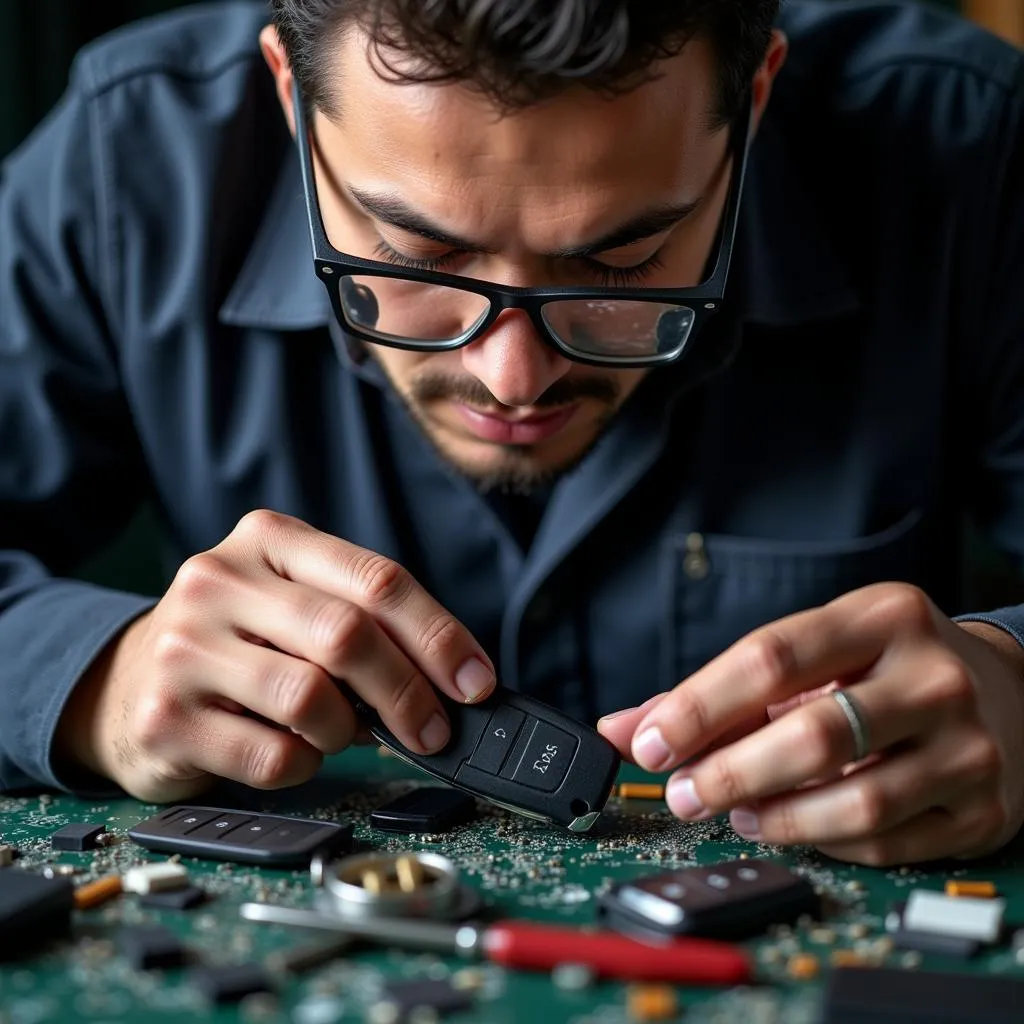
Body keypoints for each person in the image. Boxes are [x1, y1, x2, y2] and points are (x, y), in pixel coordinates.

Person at [1, 0, 1022, 868]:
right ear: (290, 97)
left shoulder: (972, 152)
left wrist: (1014, 685)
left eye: (625, 260)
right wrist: (98, 678)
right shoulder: (123, 167)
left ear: (752, 100)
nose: (513, 377)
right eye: (412, 253)